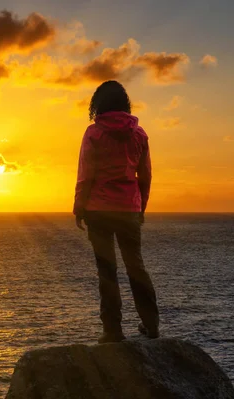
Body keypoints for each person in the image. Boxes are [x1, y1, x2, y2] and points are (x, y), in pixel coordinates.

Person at [73, 80, 159, 344]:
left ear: (98, 105)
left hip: (98, 209)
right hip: (128, 209)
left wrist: (79, 207)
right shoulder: (140, 135)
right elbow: (145, 176)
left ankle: (112, 331)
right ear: (125, 105)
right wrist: (140, 207)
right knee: (136, 267)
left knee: (107, 271)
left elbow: (85, 175)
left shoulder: (93, 134)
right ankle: (151, 326)